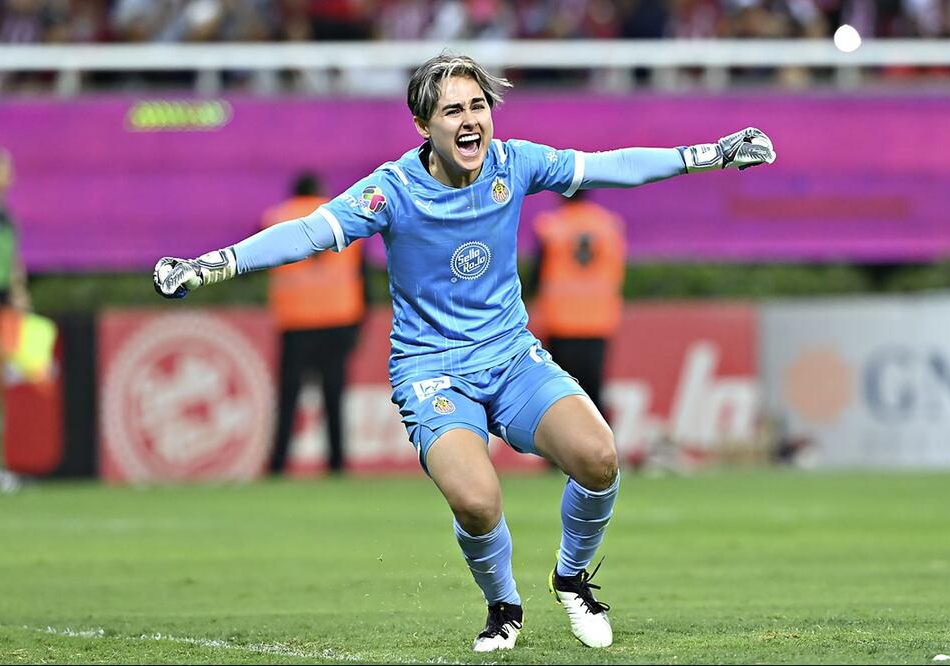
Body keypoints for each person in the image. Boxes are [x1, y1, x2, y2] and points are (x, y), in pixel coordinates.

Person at [152, 52, 776, 651]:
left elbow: (610, 166)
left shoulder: (516, 163)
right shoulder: (391, 190)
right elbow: (311, 231)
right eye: (452, 111)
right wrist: (214, 264)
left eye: (478, 105)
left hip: (510, 356)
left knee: (599, 457)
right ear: (423, 125)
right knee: (478, 502)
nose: (470, 119)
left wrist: (709, 155)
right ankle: (504, 608)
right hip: (431, 374)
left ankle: (572, 581)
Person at [261, 171, 368, 476]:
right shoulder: (343, 214)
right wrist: (359, 324)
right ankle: (336, 464)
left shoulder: (276, 217)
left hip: (296, 322)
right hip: (338, 319)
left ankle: (278, 465)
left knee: (288, 398)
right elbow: (359, 275)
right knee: (333, 397)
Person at [527, 189, 625, 421]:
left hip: (560, 320)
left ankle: (560, 452)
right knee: (594, 388)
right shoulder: (608, 225)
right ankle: (600, 448)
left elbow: (537, 275)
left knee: (560, 390)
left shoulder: (551, 227)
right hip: (599, 319)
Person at [0, 149, 31, 494]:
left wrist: (18, 291)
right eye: (4, 168)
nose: (10, 173)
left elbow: (12, 259)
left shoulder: (2, 215)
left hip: (0, 304)